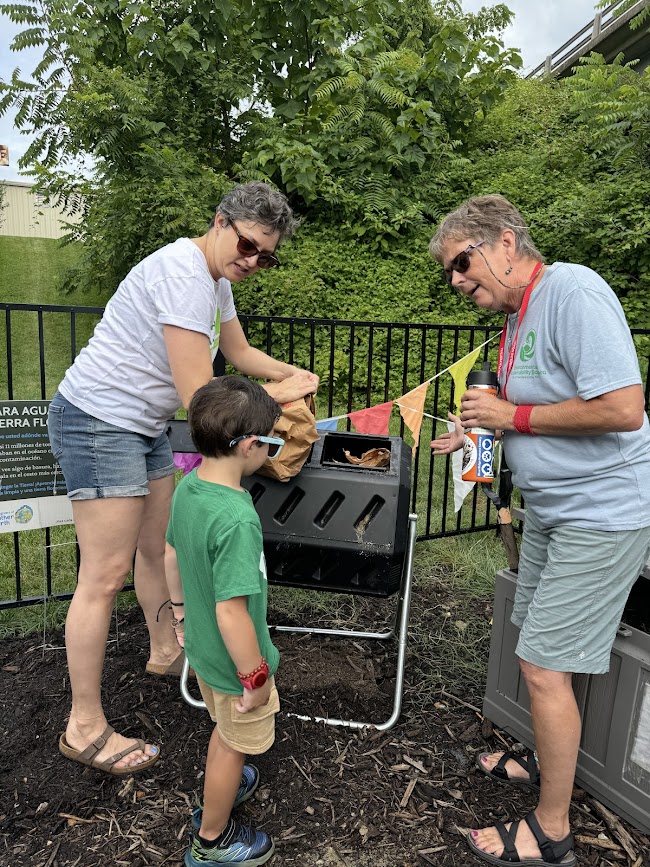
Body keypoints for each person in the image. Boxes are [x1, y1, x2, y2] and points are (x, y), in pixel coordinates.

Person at [49, 181, 318, 776]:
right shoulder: (181, 273)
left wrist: (290, 372)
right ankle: (83, 725)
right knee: (103, 574)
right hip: (98, 421)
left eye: (266, 256)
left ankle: (166, 651)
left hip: (140, 423)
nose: (253, 262)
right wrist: (276, 398)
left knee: (157, 549)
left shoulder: (216, 282)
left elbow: (239, 353)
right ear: (221, 222)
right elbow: (202, 395)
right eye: (248, 246)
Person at [429, 194, 650, 867]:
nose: (457, 279)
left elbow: (623, 408)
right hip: (552, 509)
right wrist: (480, 429)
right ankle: (544, 755)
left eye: (461, 262)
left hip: (601, 511)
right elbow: (528, 409)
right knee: (541, 645)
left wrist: (512, 417)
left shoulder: (573, 291)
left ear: (504, 242)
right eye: (448, 272)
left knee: (543, 662)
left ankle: (552, 831)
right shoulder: (516, 319)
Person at [165, 376, 282, 867]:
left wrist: (179, 618)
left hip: (203, 648)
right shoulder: (237, 518)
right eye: (271, 441)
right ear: (251, 445)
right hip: (237, 665)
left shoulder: (191, 485)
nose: (272, 450)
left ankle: (223, 787)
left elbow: (171, 552)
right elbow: (232, 611)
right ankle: (211, 839)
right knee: (233, 741)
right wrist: (255, 676)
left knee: (222, 728)